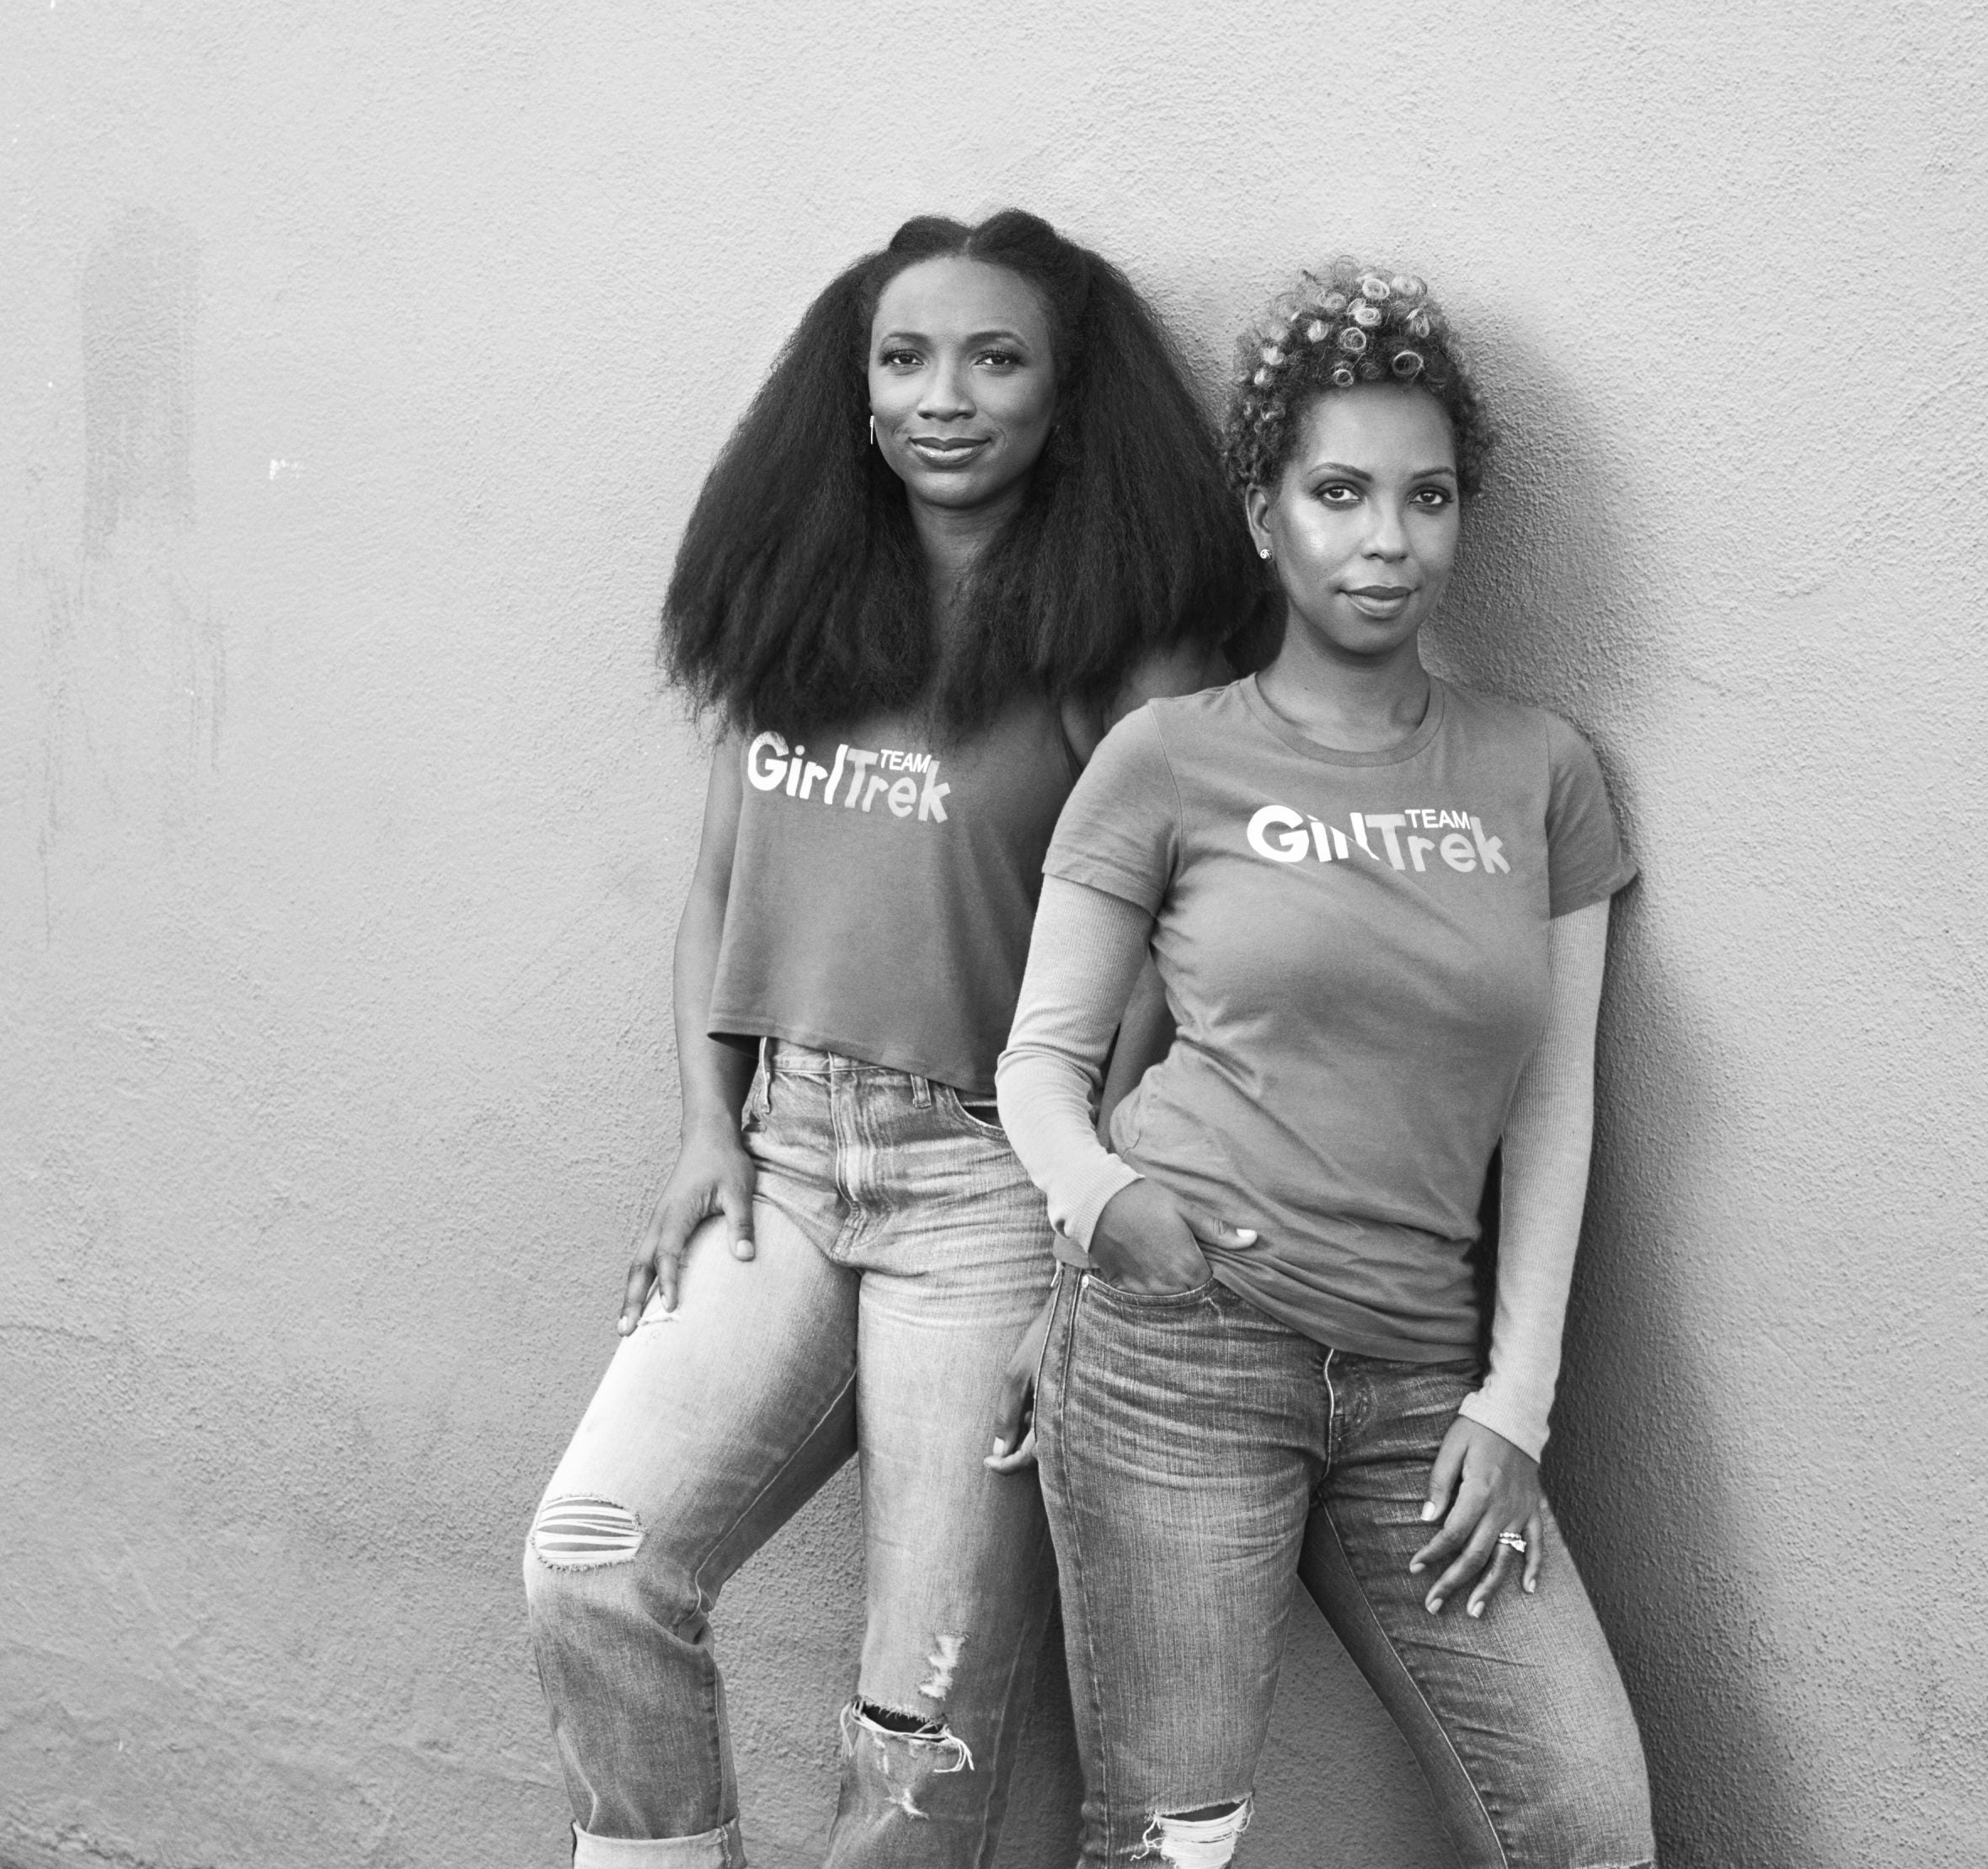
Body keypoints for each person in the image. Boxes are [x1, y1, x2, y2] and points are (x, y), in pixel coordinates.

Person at [524, 211, 1258, 1869]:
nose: (945, 395)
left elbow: (1177, 951)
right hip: (782, 1161)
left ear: (1062, 394)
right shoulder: (798, 602)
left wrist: (1082, 1210)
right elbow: (717, 894)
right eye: (904, 357)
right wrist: (709, 1130)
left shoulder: (1117, 639)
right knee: (591, 1562)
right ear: (852, 391)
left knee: (918, 1738)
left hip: (992, 1195)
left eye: (994, 357)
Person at [994, 264, 1658, 1868]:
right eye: (1341, 493)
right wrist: (1106, 1212)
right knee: (1175, 1841)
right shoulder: (1170, 758)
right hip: (1180, 1354)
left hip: (1425, 1385)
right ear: (1263, 515)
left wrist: (1518, 1405)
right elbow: (1039, 1066)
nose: (1388, 540)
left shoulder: (1541, 771)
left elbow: (1556, 1107)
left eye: (1426, 498)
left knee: (1587, 1815)